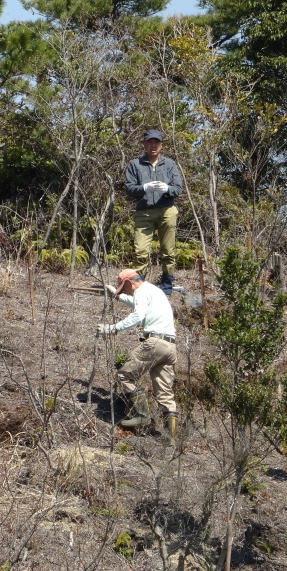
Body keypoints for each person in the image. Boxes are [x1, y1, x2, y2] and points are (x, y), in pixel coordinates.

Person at [97, 269, 178, 443]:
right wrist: (118, 296)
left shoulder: (141, 291)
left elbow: (138, 314)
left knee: (124, 375)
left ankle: (142, 415)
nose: (125, 291)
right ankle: (169, 439)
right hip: (170, 346)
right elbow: (139, 304)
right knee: (165, 393)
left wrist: (113, 328)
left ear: (129, 283)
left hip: (155, 343)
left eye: (123, 289)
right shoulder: (154, 291)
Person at [124, 129, 183, 295]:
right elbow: (129, 188)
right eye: (149, 142)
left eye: (156, 142)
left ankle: (166, 286)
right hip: (144, 212)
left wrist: (168, 189)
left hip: (167, 210)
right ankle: (138, 287)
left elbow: (178, 188)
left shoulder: (170, 164)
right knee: (140, 251)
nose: (153, 145)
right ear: (144, 144)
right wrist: (143, 188)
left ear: (161, 145)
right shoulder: (135, 164)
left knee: (168, 250)